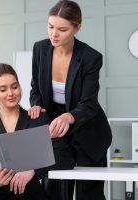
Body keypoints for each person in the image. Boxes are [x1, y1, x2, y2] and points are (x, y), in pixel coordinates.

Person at [28, 1, 112, 200]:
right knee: (53, 192)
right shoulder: (40, 49)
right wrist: (36, 105)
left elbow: (89, 104)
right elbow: (36, 89)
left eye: (62, 29)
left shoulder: (91, 58)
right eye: (50, 26)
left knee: (88, 195)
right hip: (56, 133)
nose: (54, 34)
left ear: (77, 28)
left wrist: (69, 116)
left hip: (88, 133)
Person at [0, 63, 49, 200]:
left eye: (14, 87)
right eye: (3, 89)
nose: (11, 94)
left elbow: (58, 156)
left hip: (28, 193)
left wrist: (33, 171)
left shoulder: (37, 120)